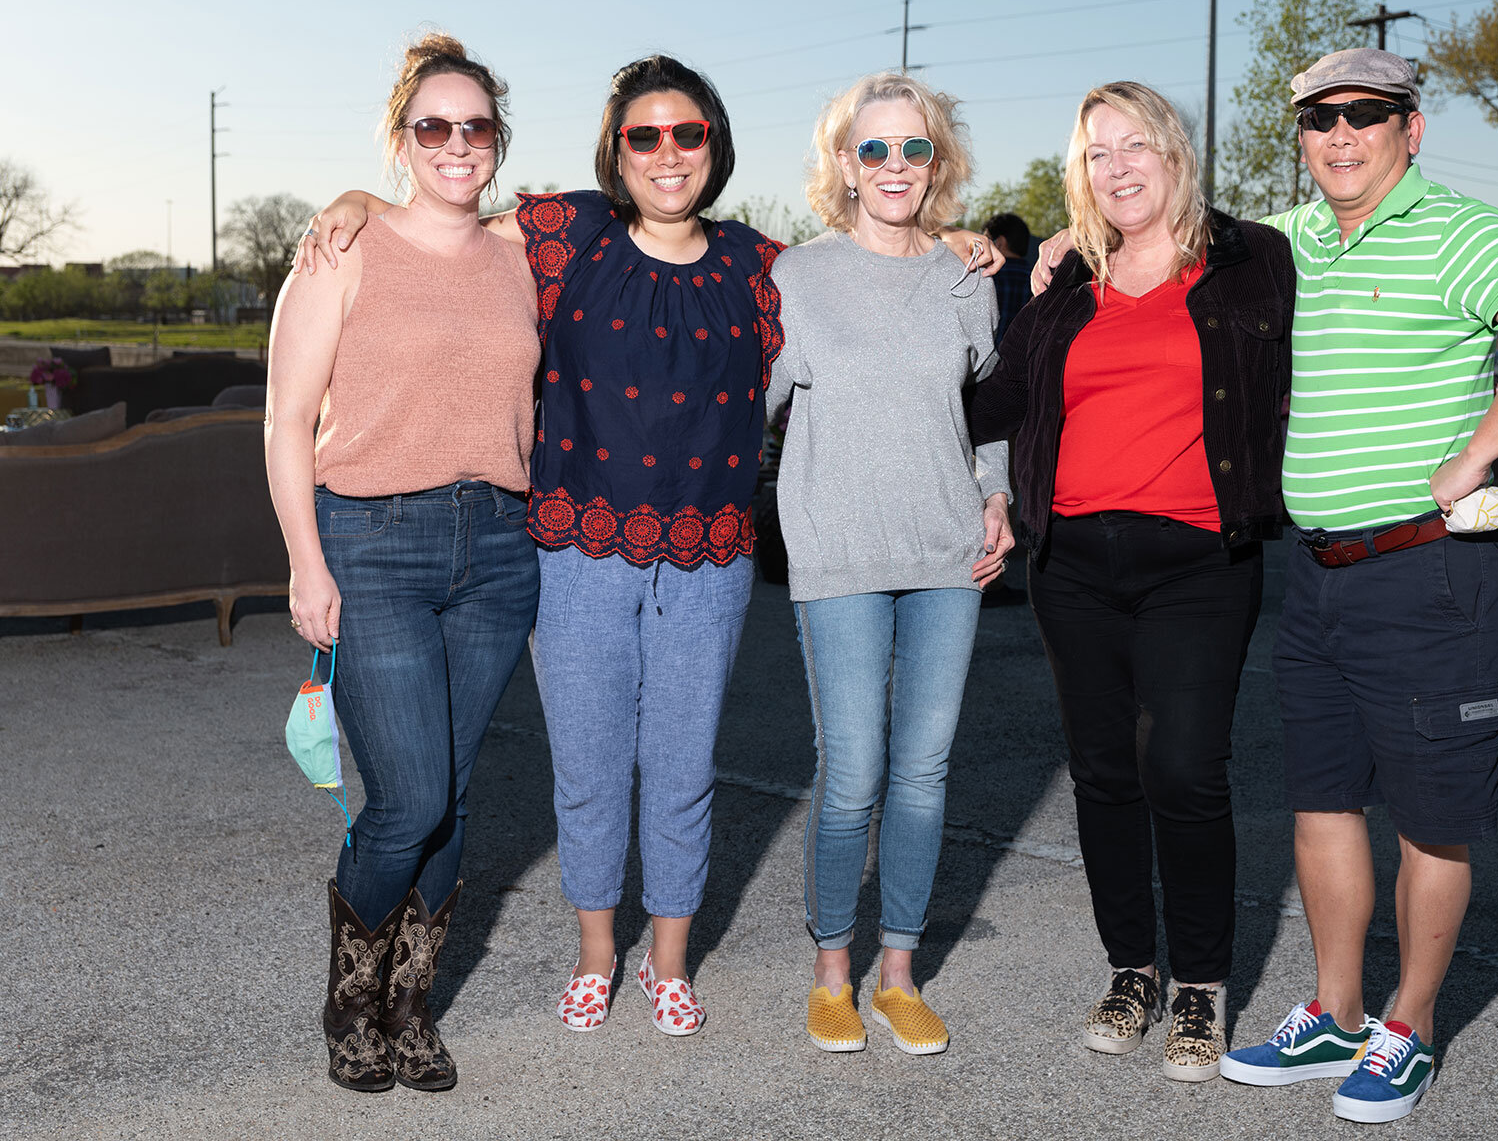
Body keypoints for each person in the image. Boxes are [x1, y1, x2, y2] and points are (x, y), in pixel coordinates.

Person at [293, 56, 1001, 1041]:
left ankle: (668, 964)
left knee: (681, 774)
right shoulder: (565, 236)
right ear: (616, 152)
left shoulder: (766, 268)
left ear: (714, 144)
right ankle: (595, 959)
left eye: (688, 134)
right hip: (574, 558)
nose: (667, 154)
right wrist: (357, 199)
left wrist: (953, 247)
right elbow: (441, 214)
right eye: (644, 136)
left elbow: (878, 285)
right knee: (586, 774)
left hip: (708, 564)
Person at [1212, 49, 1498, 1124]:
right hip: (1319, 574)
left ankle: (1410, 1027)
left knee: (1431, 818)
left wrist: (1473, 459)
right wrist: (1033, 247)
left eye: (1364, 116)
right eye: (1319, 119)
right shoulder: (1285, 243)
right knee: (1323, 800)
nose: (1339, 135)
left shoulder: (1460, 231)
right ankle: (1335, 1012)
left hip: (1433, 574)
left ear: (1409, 130)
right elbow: (1155, 255)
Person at [970, 81, 1294, 1082]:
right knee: (1106, 775)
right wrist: (936, 273)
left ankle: (1200, 982)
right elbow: (997, 399)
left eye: (1134, 144)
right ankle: (1132, 968)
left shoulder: (1253, 262)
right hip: (1073, 563)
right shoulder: (1068, 285)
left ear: (1176, 153)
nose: (1117, 166)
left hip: (1199, 559)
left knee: (1185, 772)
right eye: (1096, 152)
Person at [265, 34, 540, 1093]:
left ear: (498, 140)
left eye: (477, 125)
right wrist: (304, 562)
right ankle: (350, 998)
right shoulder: (346, 249)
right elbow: (289, 420)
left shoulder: (522, 251)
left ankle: (411, 1006)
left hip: (501, 552)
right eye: (435, 125)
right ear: (400, 138)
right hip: (373, 543)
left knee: (456, 796)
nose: (457, 143)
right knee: (410, 797)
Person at [767, 73, 1013, 1057]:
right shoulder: (795, 277)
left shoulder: (967, 276)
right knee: (855, 769)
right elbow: (750, 410)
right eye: (875, 149)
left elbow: (985, 406)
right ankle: (833, 970)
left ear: (938, 161)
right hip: (838, 553)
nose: (896, 166)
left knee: (922, 773)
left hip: (949, 553)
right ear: (844, 165)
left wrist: (995, 493)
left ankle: (899, 973)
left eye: (915, 149)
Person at [983, 211, 1034, 341]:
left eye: (986, 241)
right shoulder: (1038, 278)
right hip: (1024, 359)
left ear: (999, 242)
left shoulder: (987, 276)